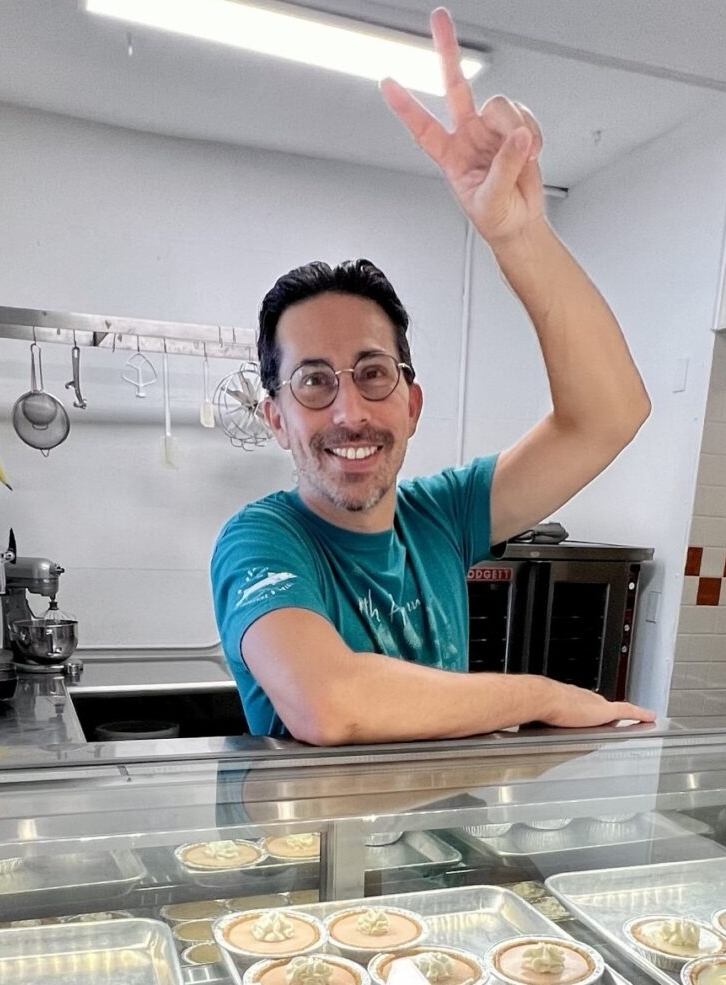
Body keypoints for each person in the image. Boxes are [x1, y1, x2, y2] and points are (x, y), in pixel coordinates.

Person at [211, 8, 654, 745]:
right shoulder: (260, 541)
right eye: (314, 382)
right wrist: (540, 694)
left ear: (413, 403)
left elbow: (609, 415)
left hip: (439, 855)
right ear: (277, 418)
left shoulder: (440, 519)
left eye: (373, 374)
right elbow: (332, 704)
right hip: (319, 862)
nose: (350, 410)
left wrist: (520, 235)